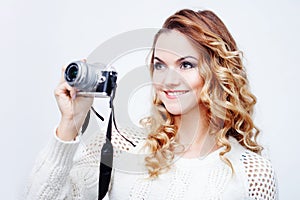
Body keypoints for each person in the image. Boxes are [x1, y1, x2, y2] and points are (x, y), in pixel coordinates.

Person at [25, 9, 278, 199]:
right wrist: (70, 122)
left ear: (216, 72)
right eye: (160, 65)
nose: (168, 80)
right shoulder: (122, 143)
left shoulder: (253, 174)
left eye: (185, 65)